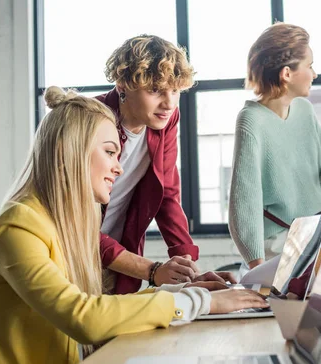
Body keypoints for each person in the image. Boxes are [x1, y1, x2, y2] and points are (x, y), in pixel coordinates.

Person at [0, 88, 268, 364]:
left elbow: (96, 306)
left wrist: (184, 292)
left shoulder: (63, 225)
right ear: (66, 153)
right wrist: (201, 302)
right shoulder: (18, 224)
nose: (118, 168)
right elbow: (82, 316)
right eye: (109, 152)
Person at [229, 22, 321, 272]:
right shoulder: (251, 121)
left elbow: (319, 175)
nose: (314, 74)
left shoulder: (305, 110)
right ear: (287, 73)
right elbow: (244, 203)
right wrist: (257, 269)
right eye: (310, 66)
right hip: (279, 245)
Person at [96, 34, 235, 295]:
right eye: (155, 90)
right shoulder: (88, 121)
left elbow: (167, 194)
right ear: (123, 83)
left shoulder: (164, 119)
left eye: (175, 90)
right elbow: (73, 224)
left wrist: (189, 269)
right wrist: (152, 270)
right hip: (70, 251)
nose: (169, 103)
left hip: (117, 256)